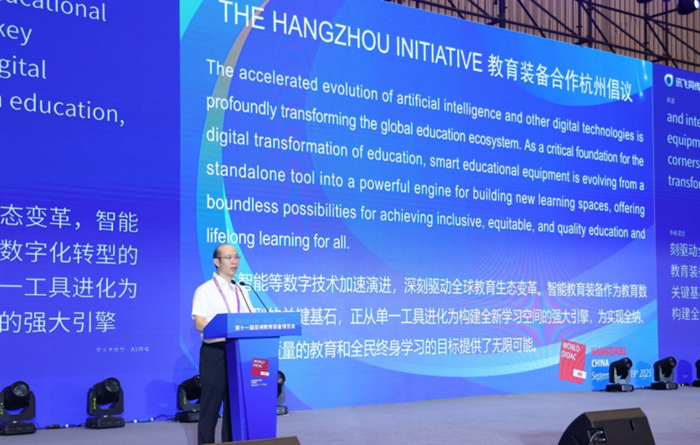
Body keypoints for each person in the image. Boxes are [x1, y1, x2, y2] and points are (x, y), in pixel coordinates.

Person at [192, 244, 254, 445]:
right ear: (216, 262)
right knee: (210, 407)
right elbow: (199, 323)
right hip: (215, 353)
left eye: (236, 257)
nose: (234, 262)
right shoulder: (205, 290)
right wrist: (226, 329)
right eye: (229, 258)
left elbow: (252, 321)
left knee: (234, 407)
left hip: (238, 353)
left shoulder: (242, 290)